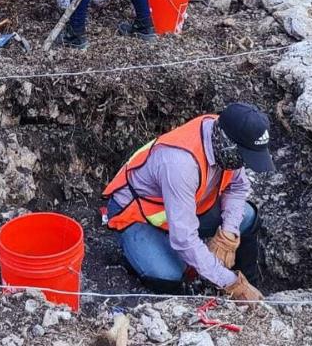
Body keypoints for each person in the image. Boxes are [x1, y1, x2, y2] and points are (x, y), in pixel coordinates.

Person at [102, 103, 274, 299]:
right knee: (168, 275)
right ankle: (136, 254)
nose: (244, 164)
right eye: (243, 157)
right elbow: (183, 238)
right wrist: (229, 282)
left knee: (247, 216)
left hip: (184, 207)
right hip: (137, 215)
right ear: (227, 143)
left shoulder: (225, 136)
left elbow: (237, 186)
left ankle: (250, 287)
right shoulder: (180, 164)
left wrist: (228, 235)